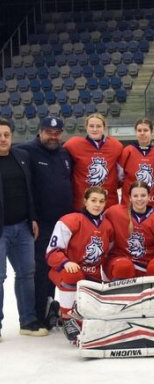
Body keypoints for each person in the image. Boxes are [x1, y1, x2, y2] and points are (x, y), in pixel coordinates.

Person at [17, 115, 73, 329]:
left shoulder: (64, 153)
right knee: (40, 269)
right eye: (49, 132)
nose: (53, 136)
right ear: (39, 131)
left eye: (57, 133)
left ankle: (51, 308)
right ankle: (37, 316)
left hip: (64, 224)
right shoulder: (26, 151)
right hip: (41, 224)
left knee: (57, 269)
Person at [0, 118, 48, 338]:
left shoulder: (21, 157)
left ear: (11, 136)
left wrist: (33, 218)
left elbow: (29, 191)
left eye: (6, 135)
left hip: (23, 226)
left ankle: (28, 321)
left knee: (27, 273)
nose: (2, 139)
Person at [47, 186, 114, 340]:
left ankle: (57, 310)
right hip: (65, 272)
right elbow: (51, 253)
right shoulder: (70, 220)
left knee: (94, 318)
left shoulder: (107, 226)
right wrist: (65, 262)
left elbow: (107, 254)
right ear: (85, 201)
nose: (97, 205)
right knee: (74, 274)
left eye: (101, 201)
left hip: (91, 275)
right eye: (93, 200)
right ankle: (66, 318)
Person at [104, 181, 154, 279]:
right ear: (130, 198)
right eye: (135, 196)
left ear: (149, 197)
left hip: (146, 262)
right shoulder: (114, 212)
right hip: (120, 259)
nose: (139, 199)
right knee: (123, 267)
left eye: (143, 195)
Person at [64, 113, 123, 209]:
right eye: (91, 126)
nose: (95, 129)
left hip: (109, 202)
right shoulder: (73, 145)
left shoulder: (116, 146)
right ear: (86, 127)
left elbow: (122, 175)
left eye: (98, 126)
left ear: (104, 128)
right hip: (82, 203)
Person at [118, 118, 154, 211]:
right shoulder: (128, 151)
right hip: (130, 206)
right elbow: (119, 178)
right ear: (135, 132)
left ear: (152, 132)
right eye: (139, 130)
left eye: (145, 130)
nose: (142, 133)